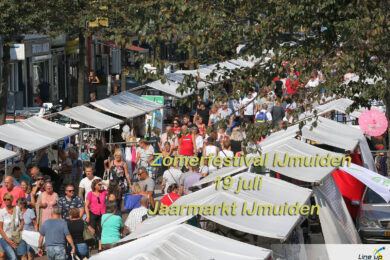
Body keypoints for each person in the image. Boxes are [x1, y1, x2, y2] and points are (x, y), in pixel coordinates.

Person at [0, 193, 26, 260]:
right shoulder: (2, 212)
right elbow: (0, 228)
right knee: (13, 257)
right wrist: (8, 240)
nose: (6, 201)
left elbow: (22, 220)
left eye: (8, 199)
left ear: (11, 200)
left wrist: (21, 225)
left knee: (21, 255)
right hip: (4, 238)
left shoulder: (17, 209)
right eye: (4, 199)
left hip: (16, 237)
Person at [85, 179, 107, 250]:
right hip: (93, 213)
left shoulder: (103, 192)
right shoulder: (90, 193)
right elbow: (86, 205)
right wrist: (88, 216)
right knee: (92, 230)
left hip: (102, 213)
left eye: (101, 184)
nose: (101, 186)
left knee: (101, 230)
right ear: (94, 186)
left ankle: (100, 247)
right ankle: (90, 245)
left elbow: (112, 189)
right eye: (99, 184)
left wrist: (104, 183)